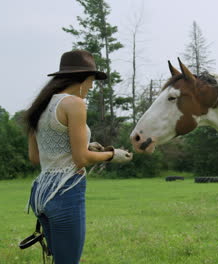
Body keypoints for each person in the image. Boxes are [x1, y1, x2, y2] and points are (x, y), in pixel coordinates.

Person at [23, 50, 132, 263]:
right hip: (65, 191)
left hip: (40, 194)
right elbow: (80, 158)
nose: (91, 87)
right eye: (91, 81)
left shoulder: (39, 107)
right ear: (82, 79)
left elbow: (36, 157)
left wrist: (84, 144)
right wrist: (112, 155)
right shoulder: (74, 104)